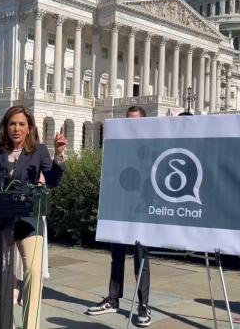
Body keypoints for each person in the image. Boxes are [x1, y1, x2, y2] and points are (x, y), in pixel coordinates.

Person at [0, 105, 66, 329]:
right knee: (0, 277)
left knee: (34, 273)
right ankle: (3, 323)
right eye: (12, 124)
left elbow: (52, 180)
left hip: (29, 220)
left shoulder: (39, 151)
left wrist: (59, 155)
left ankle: (30, 326)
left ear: (29, 127)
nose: (17, 128)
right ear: (6, 127)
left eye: (21, 124)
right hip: (1, 221)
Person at [87, 105, 152, 328]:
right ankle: (113, 299)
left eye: (135, 121)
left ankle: (143, 306)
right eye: (128, 120)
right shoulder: (118, 146)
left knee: (141, 260)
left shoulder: (149, 146)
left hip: (140, 211)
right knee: (117, 257)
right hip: (119, 209)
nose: (131, 125)